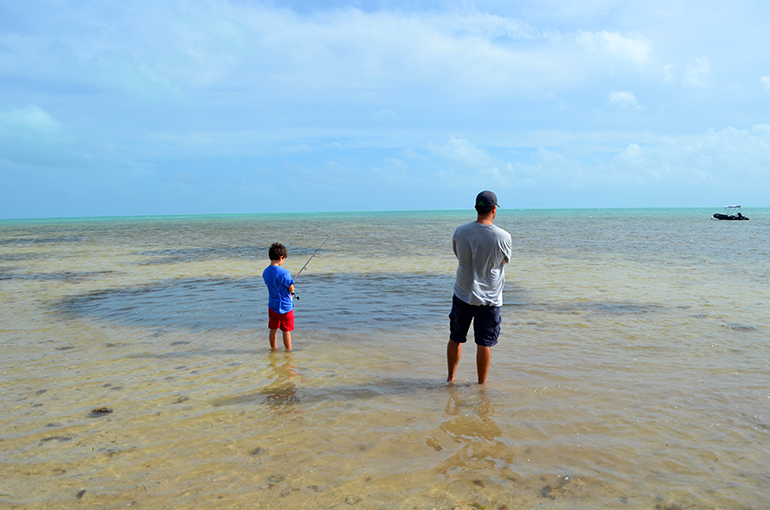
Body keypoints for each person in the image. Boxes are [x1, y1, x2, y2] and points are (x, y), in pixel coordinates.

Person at [447, 191, 512, 384]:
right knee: (484, 343)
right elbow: (504, 261)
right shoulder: (504, 236)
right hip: (490, 298)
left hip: (463, 294)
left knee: (455, 338)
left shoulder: (460, 231)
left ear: (476, 208)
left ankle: (450, 379)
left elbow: (458, 255)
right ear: (494, 209)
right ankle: (481, 384)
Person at [262, 243, 295, 351]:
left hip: (272, 305)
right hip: (285, 306)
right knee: (286, 330)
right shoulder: (285, 272)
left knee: (273, 329)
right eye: (284, 259)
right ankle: (288, 351)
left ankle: (273, 349)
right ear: (281, 258)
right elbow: (291, 289)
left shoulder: (265, 272)